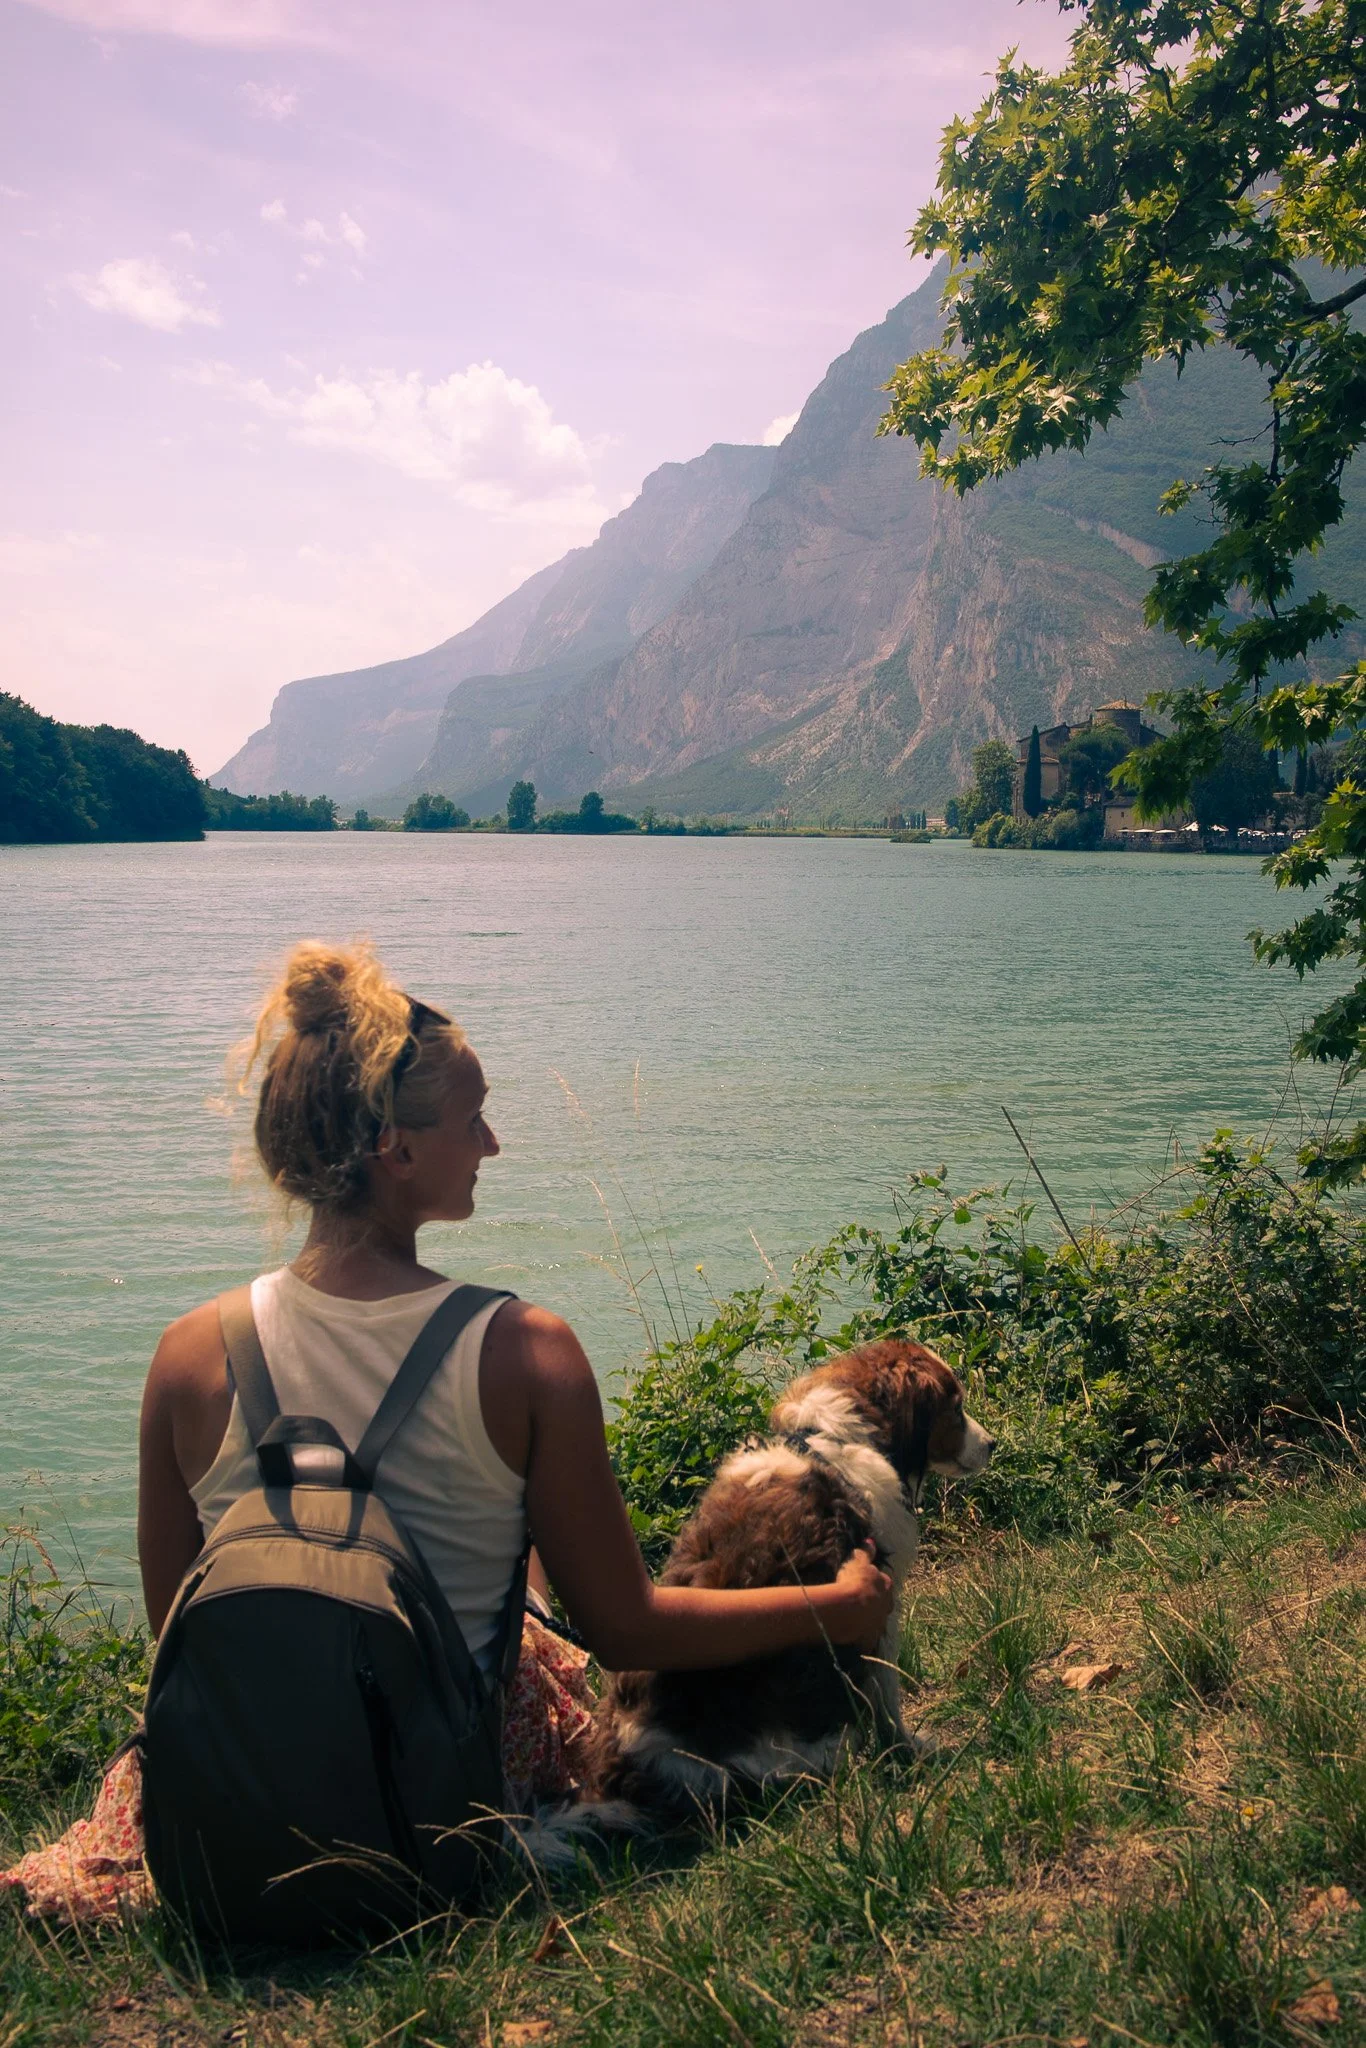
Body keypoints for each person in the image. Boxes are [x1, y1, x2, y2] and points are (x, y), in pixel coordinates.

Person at [3, 940, 892, 1922]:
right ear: (399, 1146)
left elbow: (178, 1632)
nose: (494, 1142)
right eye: (474, 1119)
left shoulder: (186, 1354)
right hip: (434, 1802)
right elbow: (625, 1627)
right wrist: (834, 1606)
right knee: (531, 1591)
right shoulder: (523, 1349)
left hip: (236, 1795)